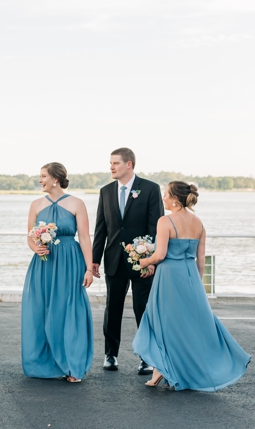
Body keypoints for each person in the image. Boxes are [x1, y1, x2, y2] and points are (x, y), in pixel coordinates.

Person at [132, 182, 251, 390]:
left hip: (169, 276)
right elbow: (201, 258)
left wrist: (143, 261)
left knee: (162, 322)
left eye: (166, 195)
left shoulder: (165, 221)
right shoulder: (199, 223)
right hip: (191, 277)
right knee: (188, 325)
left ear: (176, 199)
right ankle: (172, 369)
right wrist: (196, 284)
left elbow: (160, 255)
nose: (163, 199)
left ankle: (160, 369)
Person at [20, 163, 94, 383]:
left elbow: (85, 237)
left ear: (55, 179)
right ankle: (44, 363)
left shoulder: (76, 203)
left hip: (70, 262)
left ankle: (72, 365)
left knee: (69, 310)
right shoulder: (35, 205)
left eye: (43, 176)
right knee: (41, 310)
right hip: (43, 263)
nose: (40, 180)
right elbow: (29, 236)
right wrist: (35, 247)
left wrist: (89, 268)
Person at [91, 148, 163, 374]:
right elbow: (101, 229)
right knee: (113, 309)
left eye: (115, 163)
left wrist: (151, 260)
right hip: (113, 260)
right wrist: (94, 259)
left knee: (143, 309)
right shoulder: (105, 191)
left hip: (142, 262)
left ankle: (146, 358)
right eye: (110, 163)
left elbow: (156, 228)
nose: (111, 167)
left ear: (129, 164)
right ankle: (110, 354)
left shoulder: (150, 189)